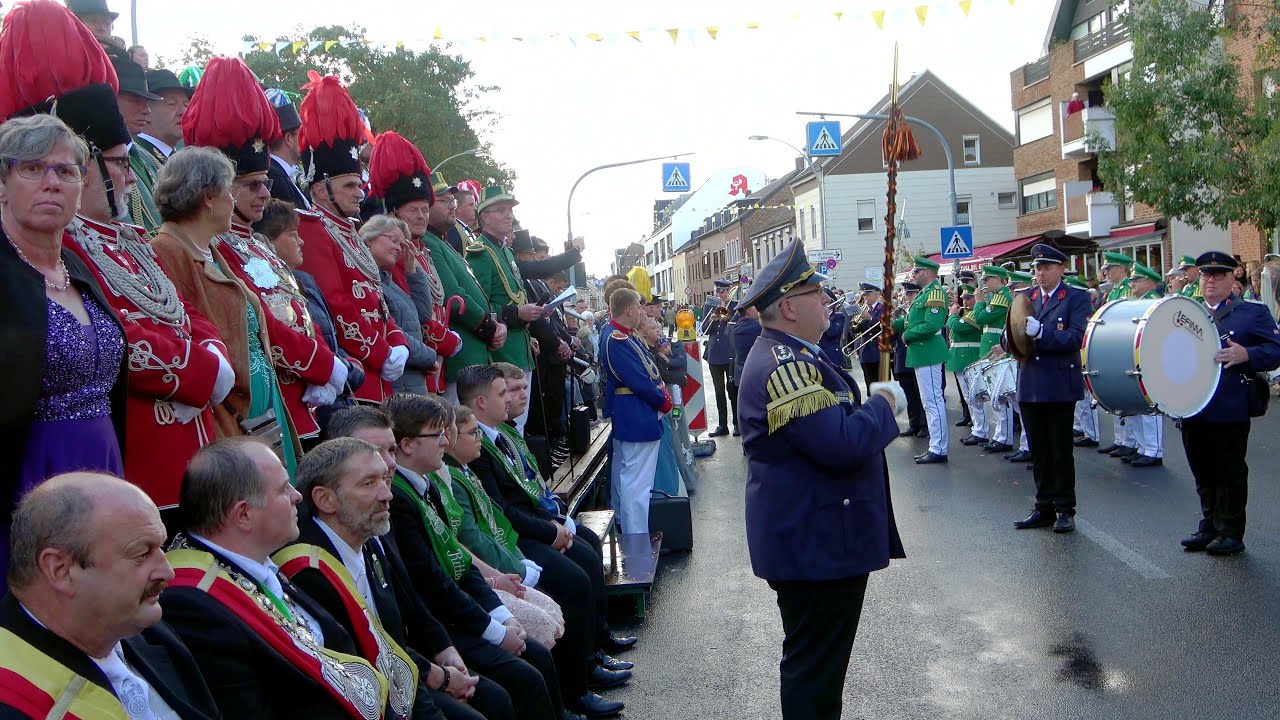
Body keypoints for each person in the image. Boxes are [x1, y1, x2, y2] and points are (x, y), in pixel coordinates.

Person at [736, 239, 905, 720]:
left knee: (818, 669)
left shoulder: (791, 354)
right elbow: (841, 444)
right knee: (816, 671)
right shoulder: (786, 366)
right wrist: (882, 405)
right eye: (816, 293)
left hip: (816, 537)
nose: (827, 300)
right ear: (788, 306)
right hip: (815, 542)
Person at [324, 407, 569, 720]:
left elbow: (456, 559)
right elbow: (422, 591)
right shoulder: (390, 505)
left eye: (388, 450)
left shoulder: (406, 494)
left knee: (543, 630)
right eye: (375, 452)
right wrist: (444, 663)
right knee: (513, 686)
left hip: (438, 624)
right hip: (418, 644)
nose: (387, 463)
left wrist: (496, 612)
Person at [282, 436, 518, 720]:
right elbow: (361, 661)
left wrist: (444, 651)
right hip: (368, 697)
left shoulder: (367, 534)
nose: (387, 494)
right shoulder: (307, 571)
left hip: (402, 670)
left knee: (500, 699)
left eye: (383, 479)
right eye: (369, 484)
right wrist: (438, 677)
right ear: (325, 499)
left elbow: (403, 615)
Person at [184, 57, 348, 454]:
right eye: (253, 185)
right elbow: (259, 323)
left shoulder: (255, 241)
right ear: (222, 190)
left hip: (301, 398)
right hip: (261, 405)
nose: (264, 193)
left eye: (266, 183)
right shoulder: (213, 248)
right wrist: (322, 364)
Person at [456, 365, 630, 718]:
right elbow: (502, 512)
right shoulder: (476, 453)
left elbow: (531, 487)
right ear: (480, 402)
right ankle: (575, 689)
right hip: (515, 536)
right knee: (573, 580)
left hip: (530, 524)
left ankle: (593, 648)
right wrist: (550, 533)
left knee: (588, 548)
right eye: (503, 393)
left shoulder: (502, 435)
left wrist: (557, 522)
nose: (512, 398)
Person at [0, 114, 127, 586]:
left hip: (104, 465)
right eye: (32, 169)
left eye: (66, 171)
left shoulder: (78, 268)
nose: (51, 182)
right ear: (2, 184)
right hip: (25, 482)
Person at [1, 473, 219, 720]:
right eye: (141, 554)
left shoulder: (146, 630)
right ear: (60, 570)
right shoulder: (11, 697)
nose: (167, 572)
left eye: (161, 548)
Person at [296, 72, 409, 404]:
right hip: (355, 375)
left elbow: (376, 297)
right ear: (320, 188)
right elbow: (335, 302)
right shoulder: (312, 227)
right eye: (349, 186)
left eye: (359, 185)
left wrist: (396, 339)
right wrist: (379, 353)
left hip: (379, 368)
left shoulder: (349, 229)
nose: (359, 193)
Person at [1178, 252, 1280, 555]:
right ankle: (1210, 524)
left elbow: (1276, 349)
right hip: (1192, 403)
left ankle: (1231, 531)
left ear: (1233, 276)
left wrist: (1246, 355)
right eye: (1206, 275)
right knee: (1202, 469)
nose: (1211, 280)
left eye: (1219, 275)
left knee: (1230, 471)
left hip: (1229, 404)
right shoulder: (1186, 311)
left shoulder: (1252, 312)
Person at [256, 198, 365, 434]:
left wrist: (349, 367)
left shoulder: (305, 281)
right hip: (306, 401)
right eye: (292, 235)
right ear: (267, 242)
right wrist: (333, 368)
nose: (301, 241)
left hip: (334, 393)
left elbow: (326, 337)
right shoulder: (265, 286)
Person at [1009, 244, 1092, 534]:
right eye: (1036, 268)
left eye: (1046, 268)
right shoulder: (1026, 298)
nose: (1040, 273)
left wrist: (1042, 333)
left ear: (1061, 268)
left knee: (1060, 451)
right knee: (1039, 451)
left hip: (1058, 384)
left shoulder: (1076, 299)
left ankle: (1065, 508)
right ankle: (1043, 505)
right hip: (1030, 383)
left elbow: (1075, 338)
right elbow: (1012, 338)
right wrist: (1015, 337)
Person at [418, 171, 505, 402]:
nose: (452, 206)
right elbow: (453, 296)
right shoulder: (428, 241)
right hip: (461, 359)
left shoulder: (444, 243)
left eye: (453, 201)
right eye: (444, 201)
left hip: (474, 357)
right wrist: (489, 326)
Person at [598, 288, 673, 533]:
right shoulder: (618, 338)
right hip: (637, 413)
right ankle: (636, 536)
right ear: (629, 309)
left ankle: (629, 528)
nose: (642, 311)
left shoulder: (620, 334)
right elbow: (639, 379)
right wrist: (662, 400)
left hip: (631, 412)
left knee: (629, 477)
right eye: (639, 307)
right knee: (637, 483)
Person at [361, 214, 443, 395]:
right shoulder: (366, 283)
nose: (399, 248)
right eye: (393, 240)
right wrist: (429, 357)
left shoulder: (391, 285)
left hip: (412, 385)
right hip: (396, 388)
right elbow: (391, 330)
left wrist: (412, 269)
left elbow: (423, 315)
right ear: (369, 239)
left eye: (402, 244)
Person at [470, 186, 541, 388]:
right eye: (501, 210)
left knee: (520, 416)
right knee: (506, 418)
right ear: (484, 218)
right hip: (502, 352)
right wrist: (518, 313)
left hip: (520, 346)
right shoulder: (481, 252)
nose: (509, 216)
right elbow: (480, 307)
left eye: (510, 210)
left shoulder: (506, 252)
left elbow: (515, 295)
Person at [892, 256, 950, 463]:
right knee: (929, 401)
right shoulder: (924, 294)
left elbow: (931, 325)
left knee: (933, 401)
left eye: (916, 272)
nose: (913, 275)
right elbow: (911, 321)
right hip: (921, 352)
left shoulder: (935, 292)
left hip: (929, 351)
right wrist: (893, 323)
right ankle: (936, 445)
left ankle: (939, 448)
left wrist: (907, 335)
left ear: (927, 272)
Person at [129, 69, 190, 232]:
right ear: (147, 109)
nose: (183, 111)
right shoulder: (135, 158)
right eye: (172, 104)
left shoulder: (179, 160)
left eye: (185, 104)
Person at [965, 267, 1013, 450]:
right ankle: (1001, 435)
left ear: (999, 279)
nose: (984, 284)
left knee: (1000, 396)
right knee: (994, 396)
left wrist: (978, 302)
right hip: (990, 347)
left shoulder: (1001, 297)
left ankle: (1004, 437)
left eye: (987, 280)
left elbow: (980, 317)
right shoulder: (995, 297)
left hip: (997, 348)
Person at [1096, 252, 1137, 459]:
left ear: (1122, 268)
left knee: (1127, 394)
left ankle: (1130, 441)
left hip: (1124, 345)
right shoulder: (1113, 291)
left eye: (1110, 268)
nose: (1106, 272)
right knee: (1116, 394)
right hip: (1113, 345)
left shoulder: (1129, 288)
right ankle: (1122, 440)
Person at [947, 285, 984, 444]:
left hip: (969, 357)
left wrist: (952, 315)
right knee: (969, 397)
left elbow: (958, 327)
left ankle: (981, 430)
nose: (965, 301)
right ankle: (978, 429)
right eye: (964, 298)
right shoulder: (967, 313)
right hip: (960, 357)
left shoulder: (976, 313)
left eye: (969, 298)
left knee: (974, 397)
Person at [701, 279, 737, 436]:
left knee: (733, 390)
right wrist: (711, 319)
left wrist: (727, 318)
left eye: (722, 291)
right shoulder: (709, 306)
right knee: (718, 391)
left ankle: (737, 424)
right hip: (715, 355)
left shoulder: (735, 305)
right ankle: (723, 425)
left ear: (728, 291)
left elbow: (738, 324)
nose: (719, 294)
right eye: (717, 291)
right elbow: (703, 329)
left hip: (730, 353)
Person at [264, 88, 311, 209]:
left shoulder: (282, 174)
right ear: (289, 138)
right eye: (300, 134)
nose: (305, 140)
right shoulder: (275, 176)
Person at [852, 283, 885, 391]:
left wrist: (870, 318)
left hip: (878, 351)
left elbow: (886, 327)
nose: (865, 298)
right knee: (869, 384)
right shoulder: (864, 309)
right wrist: (855, 321)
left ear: (876, 295)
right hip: (865, 351)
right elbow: (855, 331)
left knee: (880, 386)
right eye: (864, 296)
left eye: (867, 295)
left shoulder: (883, 309)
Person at [731, 305, 762, 388]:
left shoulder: (735, 328)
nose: (758, 311)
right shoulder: (758, 328)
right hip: (754, 374)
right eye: (755, 308)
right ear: (749, 312)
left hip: (739, 373)